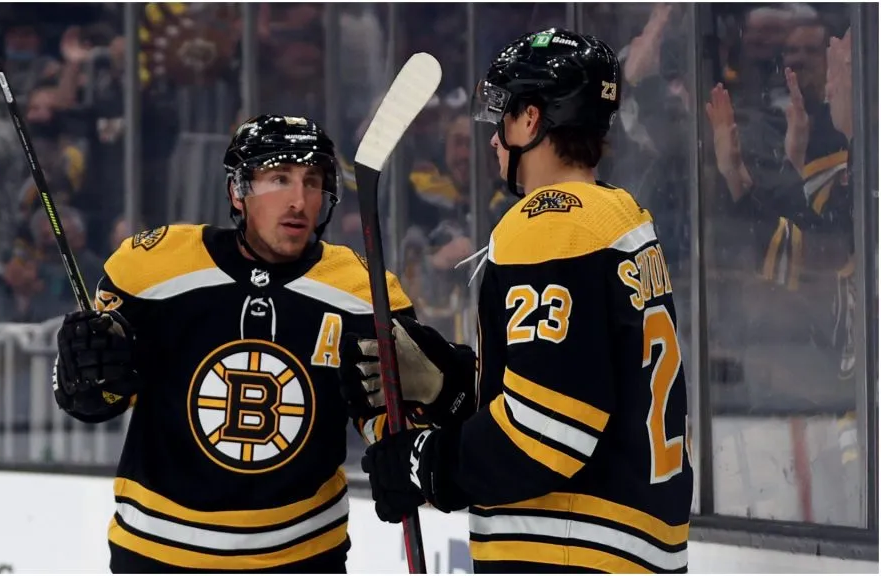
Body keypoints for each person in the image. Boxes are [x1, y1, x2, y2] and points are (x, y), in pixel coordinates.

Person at [340, 29, 694, 573]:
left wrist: (423, 464)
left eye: (502, 116)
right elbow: (574, 381)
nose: (493, 139)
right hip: (626, 548)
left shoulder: (549, 226)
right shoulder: (620, 216)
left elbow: (547, 435)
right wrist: (450, 384)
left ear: (531, 119)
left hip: (570, 550)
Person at [51, 114, 414, 573]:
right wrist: (87, 382)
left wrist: (403, 448)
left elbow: (391, 412)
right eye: (279, 179)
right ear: (237, 191)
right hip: (157, 553)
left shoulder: (365, 292)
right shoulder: (151, 269)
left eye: (312, 181)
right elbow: (99, 398)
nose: (299, 200)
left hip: (302, 556)